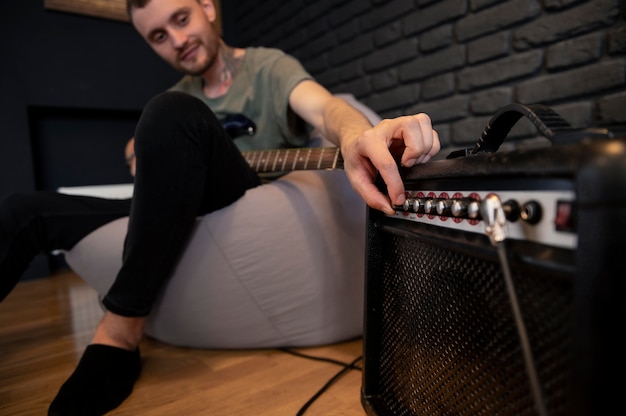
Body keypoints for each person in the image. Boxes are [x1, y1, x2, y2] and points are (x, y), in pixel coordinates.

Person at [0, 0, 440, 414]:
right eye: (157, 36)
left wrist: (352, 135)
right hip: (173, 206)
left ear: (208, 8)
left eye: (181, 19)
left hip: (240, 197)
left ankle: (119, 334)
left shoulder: (267, 67)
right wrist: (138, 150)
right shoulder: (179, 91)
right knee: (25, 209)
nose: (176, 40)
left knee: (172, 111)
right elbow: (146, 147)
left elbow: (325, 108)